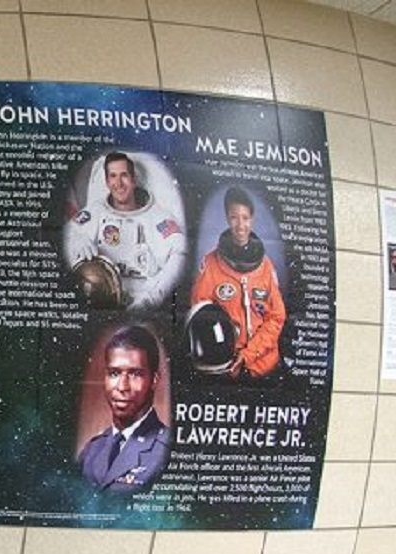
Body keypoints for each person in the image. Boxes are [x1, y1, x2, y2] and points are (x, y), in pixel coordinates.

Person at [64, 152, 186, 309]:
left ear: (133, 179)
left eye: (124, 175)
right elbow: (68, 234)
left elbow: (179, 253)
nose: (119, 183)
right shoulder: (94, 212)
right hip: (101, 300)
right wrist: (76, 240)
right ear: (107, 182)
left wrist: (153, 296)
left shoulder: (159, 218)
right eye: (113, 176)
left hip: (143, 300)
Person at [190, 186, 286, 379]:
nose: (240, 225)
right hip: (228, 368)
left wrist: (248, 355)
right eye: (234, 217)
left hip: (265, 365)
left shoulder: (266, 266)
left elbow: (276, 317)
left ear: (252, 219)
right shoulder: (211, 265)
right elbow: (200, 316)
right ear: (227, 218)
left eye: (245, 218)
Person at [78, 324, 170, 494]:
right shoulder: (91, 451)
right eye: (114, 373)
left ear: (154, 380)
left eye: (135, 374)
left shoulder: (167, 450)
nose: (122, 387)